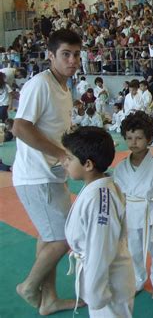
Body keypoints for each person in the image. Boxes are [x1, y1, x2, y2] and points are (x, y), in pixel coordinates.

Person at [12, 29, 82, 315]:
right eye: (65, 54)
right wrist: (62, 154)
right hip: (36, 176)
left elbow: (54, 130)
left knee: (47, 237)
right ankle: (29, 286)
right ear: (51, 56)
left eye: (76, 54)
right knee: (65, 237)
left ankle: (49, 299)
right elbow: (20, 127)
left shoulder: (64, 88)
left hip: (53, 175)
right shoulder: (40, 84)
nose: (72, 60)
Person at [62, 127, 135, 317]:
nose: (64, 162)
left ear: (87, 165)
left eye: (69, 159)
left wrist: (95, 293)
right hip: (102, 277)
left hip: (108, 283)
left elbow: (100, 249)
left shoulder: (100, 199)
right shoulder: (95, 189)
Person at [114, 111, 153, 298]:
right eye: (129, 138)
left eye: (139, 138)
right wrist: (118, 218)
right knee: (132, 250)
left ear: (149, 139)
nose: (134, 142)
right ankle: (137, 279)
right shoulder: (120, 167)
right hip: (130, 213)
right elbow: (118, 195)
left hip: (152, 213)